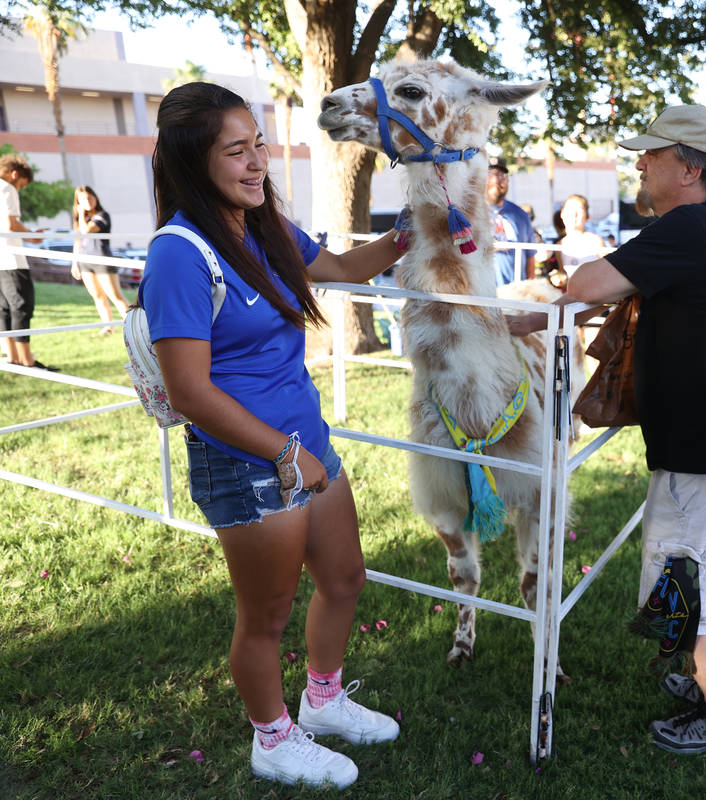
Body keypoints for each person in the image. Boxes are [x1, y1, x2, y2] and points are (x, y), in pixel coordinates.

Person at [140, 82, 404, 789]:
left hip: (305, 444)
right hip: (249, 462)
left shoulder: (264, 227)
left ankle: (322, 703)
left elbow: (344, 269)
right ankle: (273, 738)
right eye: (238, 149)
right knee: (266, 616)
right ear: (196, 162)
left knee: (345, 578)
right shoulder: (179, 254)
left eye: (258, 143)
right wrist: (288, 455)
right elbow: (192, 391)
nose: (258, 162)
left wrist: (415, 228)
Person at [510, 104, 706, 755]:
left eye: (651, 155)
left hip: (703, 458)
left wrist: (546, 294)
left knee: (678, 591)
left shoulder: (689, 226)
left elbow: (590, 282)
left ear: (691, 168)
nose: (641, 164)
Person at [0, 154, 53, 370]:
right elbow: (12, 224)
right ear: (15, 174)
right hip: (12, 259)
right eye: (21, 185)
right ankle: (27, 361)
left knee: (3, 308)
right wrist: (33, 235)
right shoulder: (7, 189)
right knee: (22, 306)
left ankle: (12, 356)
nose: (20, 189)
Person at [71, 185, 131, 334]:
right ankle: (108, 326)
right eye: (83, 199)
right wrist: (74, 262)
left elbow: (86, 231)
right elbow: (78, 240)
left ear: (95, 198)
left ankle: (134, 325)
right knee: (97, 296)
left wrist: (80, 212)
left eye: (90, 198)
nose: (88, 202)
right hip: (85, 262)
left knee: (116, 296)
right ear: (78, 202)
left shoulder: (102, 216)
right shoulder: (81, 220)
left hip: (102, 261)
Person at [486, 156, 535, 285]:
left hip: (515, 295)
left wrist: (529, 289)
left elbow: (530, 256)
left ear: (507, 181)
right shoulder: (470, 213)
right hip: (482, 295)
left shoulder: (520, 215)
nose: (496, 180)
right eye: (491, 174)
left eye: (502, 175)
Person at [558, 194, 607, 276]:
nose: (574, 214)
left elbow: (606, 271)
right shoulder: (559, 246)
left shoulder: (596, 242)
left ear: (587, 216)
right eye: (570, 209)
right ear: (562, 213)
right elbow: (563, 274)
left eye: (579, 210)